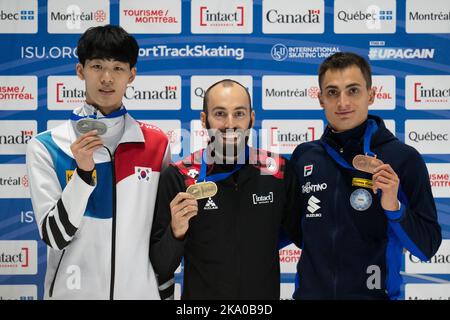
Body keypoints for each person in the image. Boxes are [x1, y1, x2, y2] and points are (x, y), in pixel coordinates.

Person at [26, 25, 170, 299]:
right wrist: (83, 173)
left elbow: (160, 236)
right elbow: (56, 237)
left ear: (132, 75)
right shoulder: (46, 146)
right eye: (97, 66)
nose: (107, 78)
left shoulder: (156, 144)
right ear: (80, 71)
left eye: (118, 68)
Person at [289, 52, 442, 300]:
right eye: (332, 92)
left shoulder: (403, 158)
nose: (343, 103)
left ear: (371, 95)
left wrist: (394, 207)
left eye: (353, 91)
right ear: (320, 99)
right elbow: (286, 230)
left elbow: (427, 247)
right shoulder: (305, 157)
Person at [150, 79, 301, 299]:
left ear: (252, 118)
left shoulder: (278, 172)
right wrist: (176, 233)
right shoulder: (178, 177)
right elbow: (161, 266)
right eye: (220, 114)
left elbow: (309, 238)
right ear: (204, 120)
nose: (230, 124)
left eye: (239, 113)